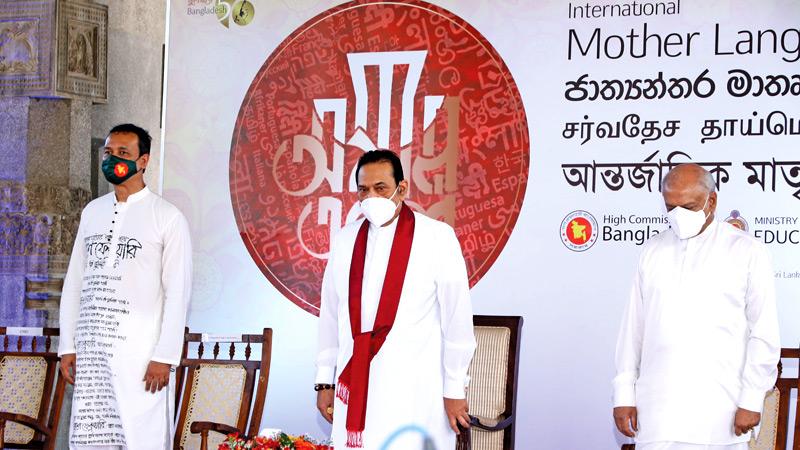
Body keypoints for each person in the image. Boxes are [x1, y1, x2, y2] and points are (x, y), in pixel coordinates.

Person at [315, 149, 476, 449]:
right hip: (355, 384)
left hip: (414, 388)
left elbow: (457, 319)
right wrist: (325, 381)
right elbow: (330, 314)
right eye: (363, 190)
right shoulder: (345, 239)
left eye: (380, 189)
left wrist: (455, 388)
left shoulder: (437, 237)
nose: (371, 197)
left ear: (401, 189)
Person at [613, 164, 780, 450]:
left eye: (688, 206)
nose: (678, 216)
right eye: (670, 207)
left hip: (721, 412)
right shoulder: (652, 251)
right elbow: (633, 330)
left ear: (711, 201)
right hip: (658, 412)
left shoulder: (746, 250)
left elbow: (763, 333)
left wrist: (751, 399)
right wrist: (624, 395)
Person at [58, 124, 193, 449]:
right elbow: (75, 280)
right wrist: (67, 346)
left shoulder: (167, 217)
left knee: (139, 436)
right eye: (108, 152)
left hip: (142, 357)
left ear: (143, 160)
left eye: (123, 153)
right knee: (91, 437)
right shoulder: (93, 211)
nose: (112, 159)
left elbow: (178, 292)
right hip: (92, 354)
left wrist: (165, 355)